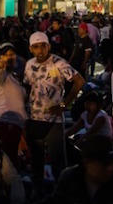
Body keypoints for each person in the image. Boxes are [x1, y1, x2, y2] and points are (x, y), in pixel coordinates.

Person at [23, 31, 85, 194]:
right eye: (36, 47)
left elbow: (79, 81)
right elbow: (27, 87)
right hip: (34, 119)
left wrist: (64, 104)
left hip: (54, 121)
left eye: (43, 46)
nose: (40, 50)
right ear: (31, 49)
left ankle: (63, 195)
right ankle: (37, 194)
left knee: (59, 162)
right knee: (36, 161)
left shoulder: (59, 63)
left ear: (48, 46)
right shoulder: (29, 64)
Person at [0, 42, 27, 172]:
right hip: (4, 124)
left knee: (12, 159)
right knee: (6, 162)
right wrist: (0, 65)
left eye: (12, 54)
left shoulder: (13, 76)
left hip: (15, 125)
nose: (11, 57)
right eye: (6, 55)